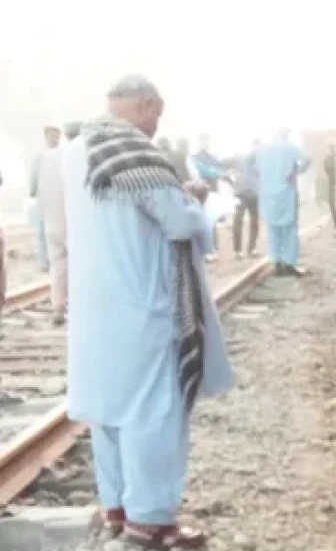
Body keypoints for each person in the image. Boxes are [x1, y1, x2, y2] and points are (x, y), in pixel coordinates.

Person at [65, 75, 232, 548]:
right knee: (153, 414)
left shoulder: (79, 150)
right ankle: (150, 522)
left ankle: (117, 509)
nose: (157, 125)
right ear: (144, 104)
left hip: (97, 308)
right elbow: (178, 222)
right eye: (156, 113)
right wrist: (196, 201)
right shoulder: (133, 151)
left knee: (109, 413)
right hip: (145, 307)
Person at [40, 121, 81, 324]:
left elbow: (36, 190)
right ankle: (78, 307)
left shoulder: (47, 157)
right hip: (72, 220)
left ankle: (58, 308)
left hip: (51, 219)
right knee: (80, 263)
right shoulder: (77, 155)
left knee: (57, 264)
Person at [254, 129, 310, 276]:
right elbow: (308, 158)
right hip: (286, 190)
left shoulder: (262, 148)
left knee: (272, 228)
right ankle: (289, 264)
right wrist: (296, 171)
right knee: (289, 229)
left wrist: (261, 176)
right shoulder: (290, 146)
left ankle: (276, 263)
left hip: (267, 192)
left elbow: (248, 162)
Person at [29, 125, 61, 273]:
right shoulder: (40, 155)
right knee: (43, 230)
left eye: (55, 135)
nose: (53, 138)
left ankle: (51, 261)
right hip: (44, 197)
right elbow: (34, 176)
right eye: (50, 135)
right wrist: (33, 191)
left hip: (58, 196)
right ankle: (44, 263)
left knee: (55, 230)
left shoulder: (63, 153)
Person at [231, 140, 260, 258]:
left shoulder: (240, 156)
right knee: (252, 221)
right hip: (251, 192)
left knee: (239, 220)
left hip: (243, 192)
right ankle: (250, 249)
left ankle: (239, 251)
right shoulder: (257, 157)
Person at [316, 143, 336, 236]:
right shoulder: (328, 159)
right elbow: (326, 170)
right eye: (330, 148)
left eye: (333, 147)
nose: (331, 149)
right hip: (333, 182)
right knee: (332, 202)